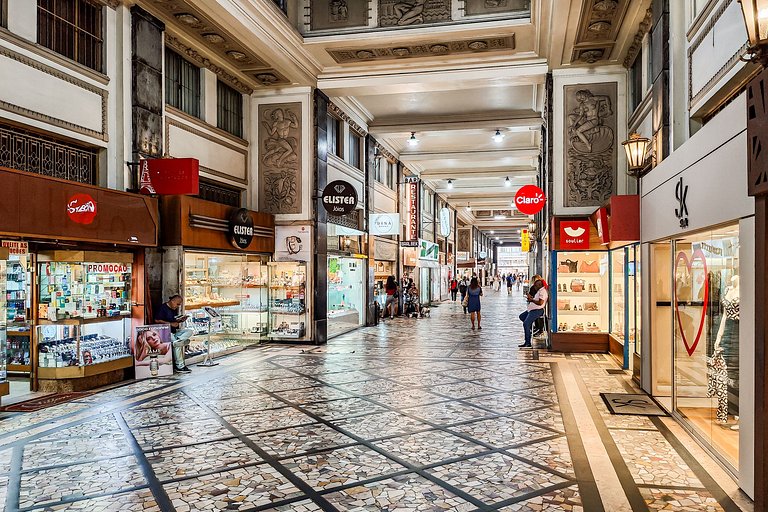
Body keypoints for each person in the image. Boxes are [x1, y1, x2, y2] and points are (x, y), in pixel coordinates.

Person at [154, 294, 194, 373]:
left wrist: (181, 320)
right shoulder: (163, 308)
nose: (178, 306)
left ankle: (177, 342)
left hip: (174, 331)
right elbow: (157, 320)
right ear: (172, 301)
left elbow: (174, 320)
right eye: (177, 304)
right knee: (178, 346)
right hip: (166, 332)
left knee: (189, 331)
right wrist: (170, 324)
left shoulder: (173, 309)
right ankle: (180, 366)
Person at [519, 275, 548, 348]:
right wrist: (531, 298)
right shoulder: (539, 291)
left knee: (526, 324)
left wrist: (532, 300)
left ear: (539, 285)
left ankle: (527, 342)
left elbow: (540, 302)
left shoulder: (542, 292)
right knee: (522, 317)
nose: (534, 286)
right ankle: (532, 329)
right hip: (532, 309)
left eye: (535, 285)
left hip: (537, 310)